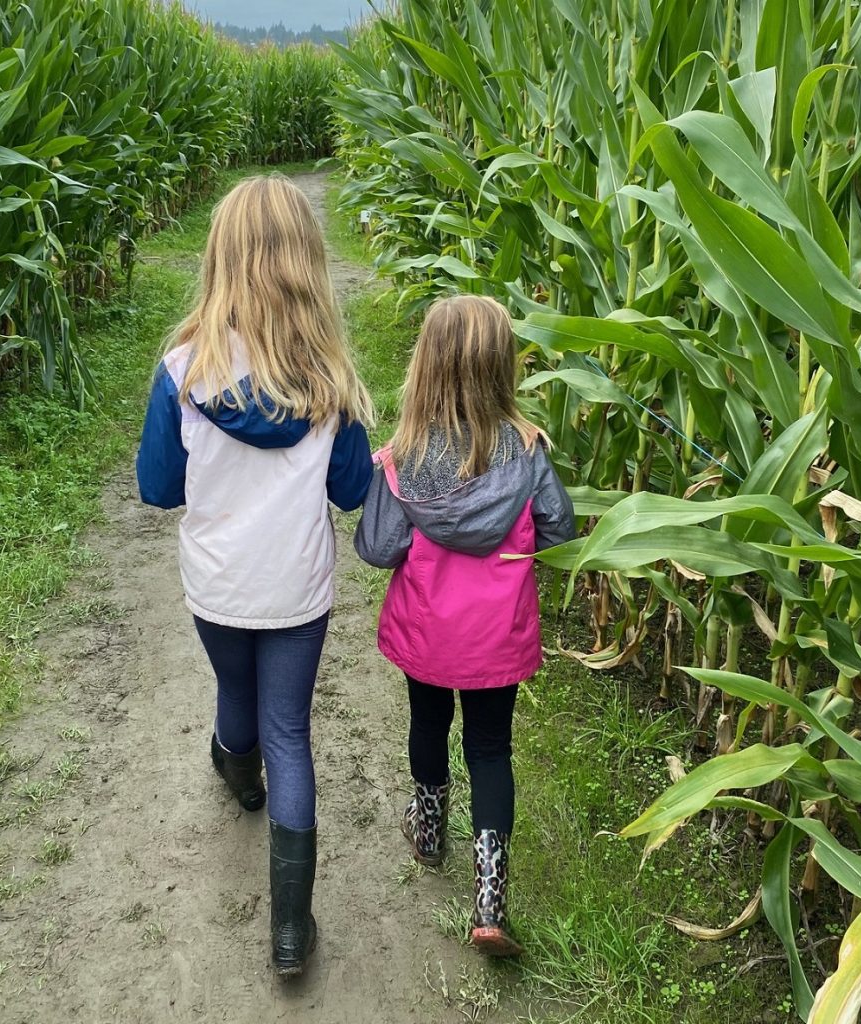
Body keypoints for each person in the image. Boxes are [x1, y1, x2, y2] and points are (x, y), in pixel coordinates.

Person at [136, 174, 374, 978]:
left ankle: (236, 771)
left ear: (221, 259)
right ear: (305, 263)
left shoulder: (180, 371)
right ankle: (287, 934)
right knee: (291, 735)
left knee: (234, 694)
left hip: (217, 582)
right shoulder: (332, 381)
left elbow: (157, 487)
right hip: (297, 589)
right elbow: (350, 492)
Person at [354, 294, 575, 957]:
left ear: (427, 364)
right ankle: (489, 904)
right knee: (489, 748)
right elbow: (560, 530)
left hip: (428, 634)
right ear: (501, 366)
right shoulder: (529, 452)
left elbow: (378, 548)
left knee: (427, 724)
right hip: (496, 635)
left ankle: (427, 832)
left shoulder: (403, 457)